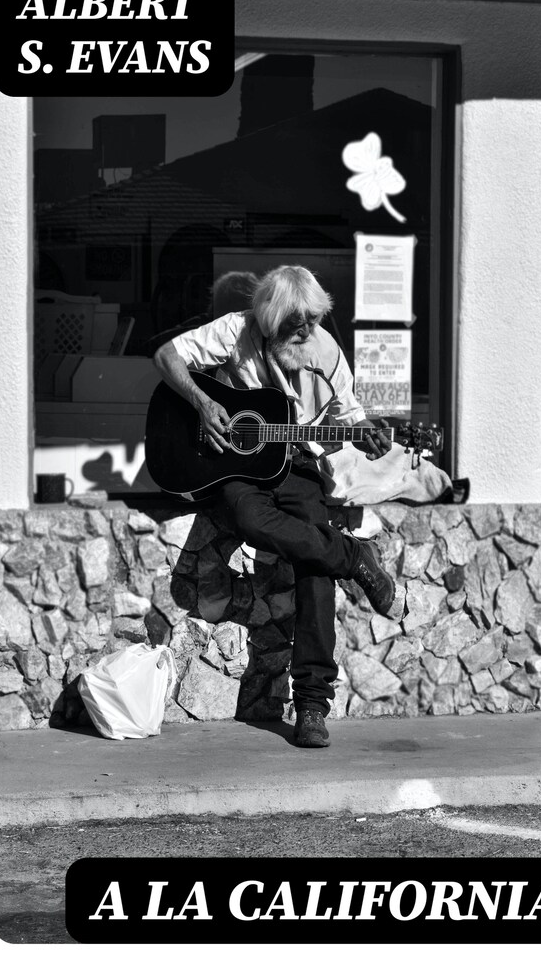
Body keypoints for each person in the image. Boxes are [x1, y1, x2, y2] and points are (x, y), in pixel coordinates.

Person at [153, 265, 395, 749]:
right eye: (296, 323)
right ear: (268, 317)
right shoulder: (236, 330)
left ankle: (311, 704)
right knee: (250, 518)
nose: (307, 331)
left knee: (313, 565)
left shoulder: (326, 352)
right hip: (239, 469)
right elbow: (166, 355)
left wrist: (366, 438)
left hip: (298, 467)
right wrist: (202, 403)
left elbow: (350, 418)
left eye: (313, 320)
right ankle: (352, 556)